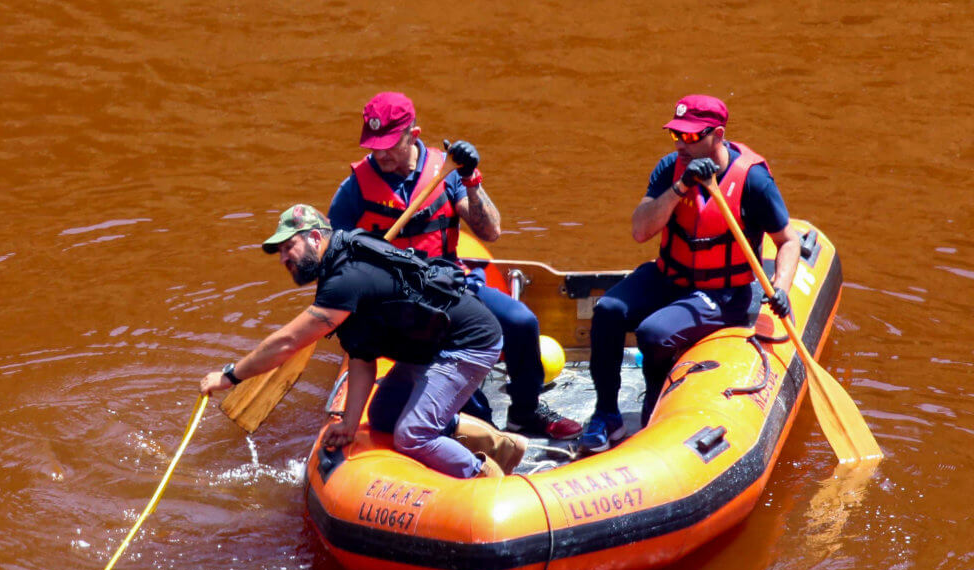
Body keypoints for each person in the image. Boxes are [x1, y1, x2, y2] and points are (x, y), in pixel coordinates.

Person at [200, 204, 527, 478]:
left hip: (466, 342)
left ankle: (485, 479)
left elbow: (287, 342)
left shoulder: (345, 278)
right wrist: (351, 424)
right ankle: (501, 444)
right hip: (428, 346)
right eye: (281, 252)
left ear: (315, 238)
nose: (284, 258)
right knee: (384, 416)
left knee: (412, 435)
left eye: (289, 247)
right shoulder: (336, 271)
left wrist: (230, 376)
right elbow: (361, 356)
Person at [327, 91, 582, 441]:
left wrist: (471, 180)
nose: (380, 153)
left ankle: (526, 412)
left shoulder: (445, 172)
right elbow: (333, 256)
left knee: (522, 322)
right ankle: (477, 424)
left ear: (412, 135)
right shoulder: (354, 189)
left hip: (450, 285)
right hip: (397, 302)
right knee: (425, 398)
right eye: (374, 145)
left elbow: (490, 231)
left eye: (388, 143)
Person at [579, 94, 799, 453]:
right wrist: (679, 188)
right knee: (607, 310)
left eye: (692, 137)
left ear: (718, 135)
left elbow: (787, 240)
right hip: (670, 277)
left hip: (725, 294)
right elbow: (640, 231)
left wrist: (781, 287)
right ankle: (607, 414)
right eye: (676, 135)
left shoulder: (754, 181)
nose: (682, 144)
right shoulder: (671, 169)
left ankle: (654, 413)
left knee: (654, 333)